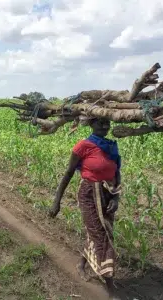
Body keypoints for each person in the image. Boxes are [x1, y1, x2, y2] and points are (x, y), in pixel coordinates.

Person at [49, 117, 121, 298]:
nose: (105, 125)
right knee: (101, 234)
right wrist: (56, 201)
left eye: (107, 123)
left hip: (107, 194)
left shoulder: (112, 147)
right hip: (89, 194)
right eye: (100, 123)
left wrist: (116, 197)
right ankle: (109, 281)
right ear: (90, 124)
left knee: (97, 231)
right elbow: (68, 173)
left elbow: (116, 173)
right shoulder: (83, 146)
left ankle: (81, 264)